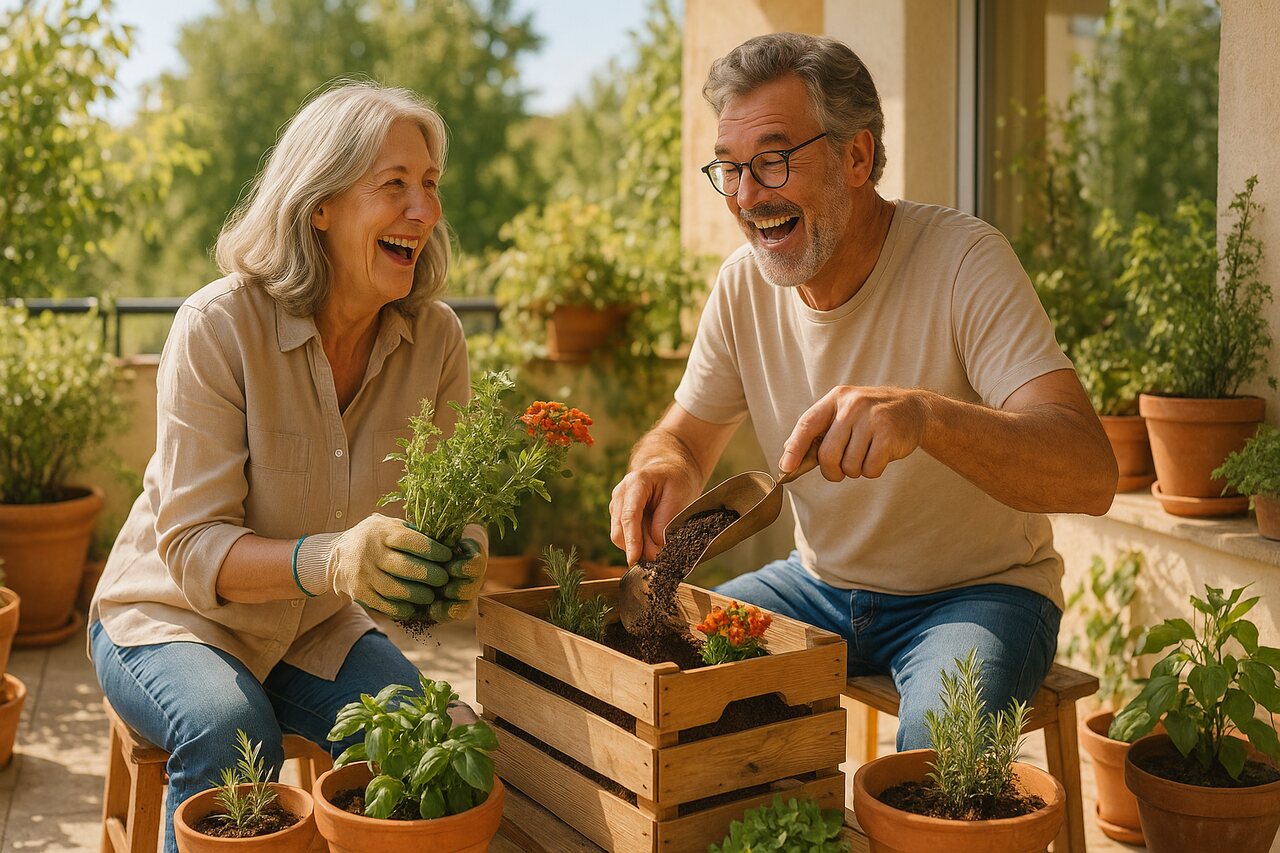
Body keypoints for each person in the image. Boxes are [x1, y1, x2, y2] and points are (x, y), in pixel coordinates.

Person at [610, 33, 1117, 749]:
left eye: (774, 161)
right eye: (729, 169)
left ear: (857, 156)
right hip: (817, 587)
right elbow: (685, 437)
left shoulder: (965, 260)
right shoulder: (742, 285)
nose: (749, 196)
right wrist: (661, 465)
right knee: (658, 668)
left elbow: (1091, 471)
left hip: (981, 593)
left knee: (929, 774)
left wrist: (926, 417)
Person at [89, 81, 486, 853]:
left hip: (312, 626)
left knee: (419, 736)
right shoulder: (218, 326)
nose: (425, 211)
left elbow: (444, 509)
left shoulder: (435, 340)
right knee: (232, 732)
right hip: (173, 616)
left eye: (431, 185)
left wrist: (459, 557)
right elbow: (196, 546)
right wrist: (336, 558)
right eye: (395, 185)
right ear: (320, 205)